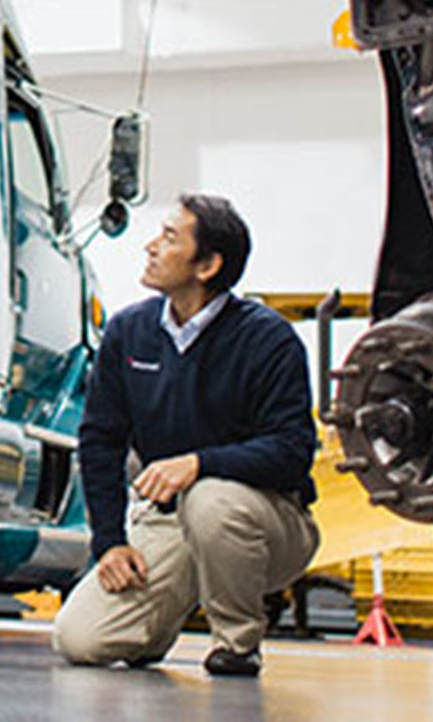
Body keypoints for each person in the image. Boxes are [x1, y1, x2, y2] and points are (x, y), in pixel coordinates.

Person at [52, 194, 320, 677]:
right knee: (79, 639)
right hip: (170, 524)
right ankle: (153, 623)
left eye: (170, 237)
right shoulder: (127, 332)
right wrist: (110, 542)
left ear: (209, 264)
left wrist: (199, 463)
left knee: (211, 500)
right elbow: (100, 443)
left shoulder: (269, 340)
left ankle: (236, 644)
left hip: (265, 521)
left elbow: (292, 451)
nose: (151, 247)